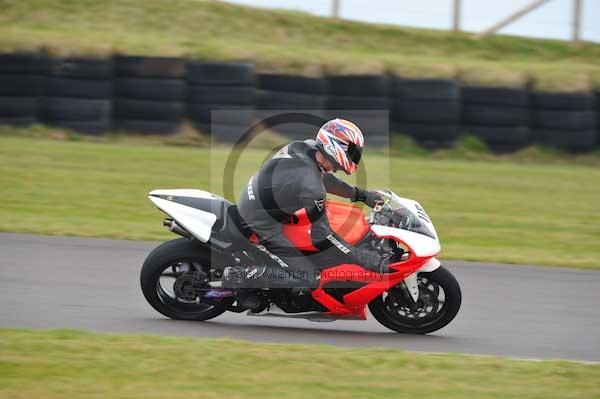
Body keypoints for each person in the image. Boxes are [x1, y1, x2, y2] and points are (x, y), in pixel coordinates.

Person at [223, 118, 385, 293]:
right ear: (335, 146)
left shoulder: (305, 148)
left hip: (255, 205)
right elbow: (321, 236)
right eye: (352, 152)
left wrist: (361, 195)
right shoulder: (312, 186)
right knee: (308, 277)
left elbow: (322, 180)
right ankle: (240, 275)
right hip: (260, 224)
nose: (354, 157)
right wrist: (364, 259)